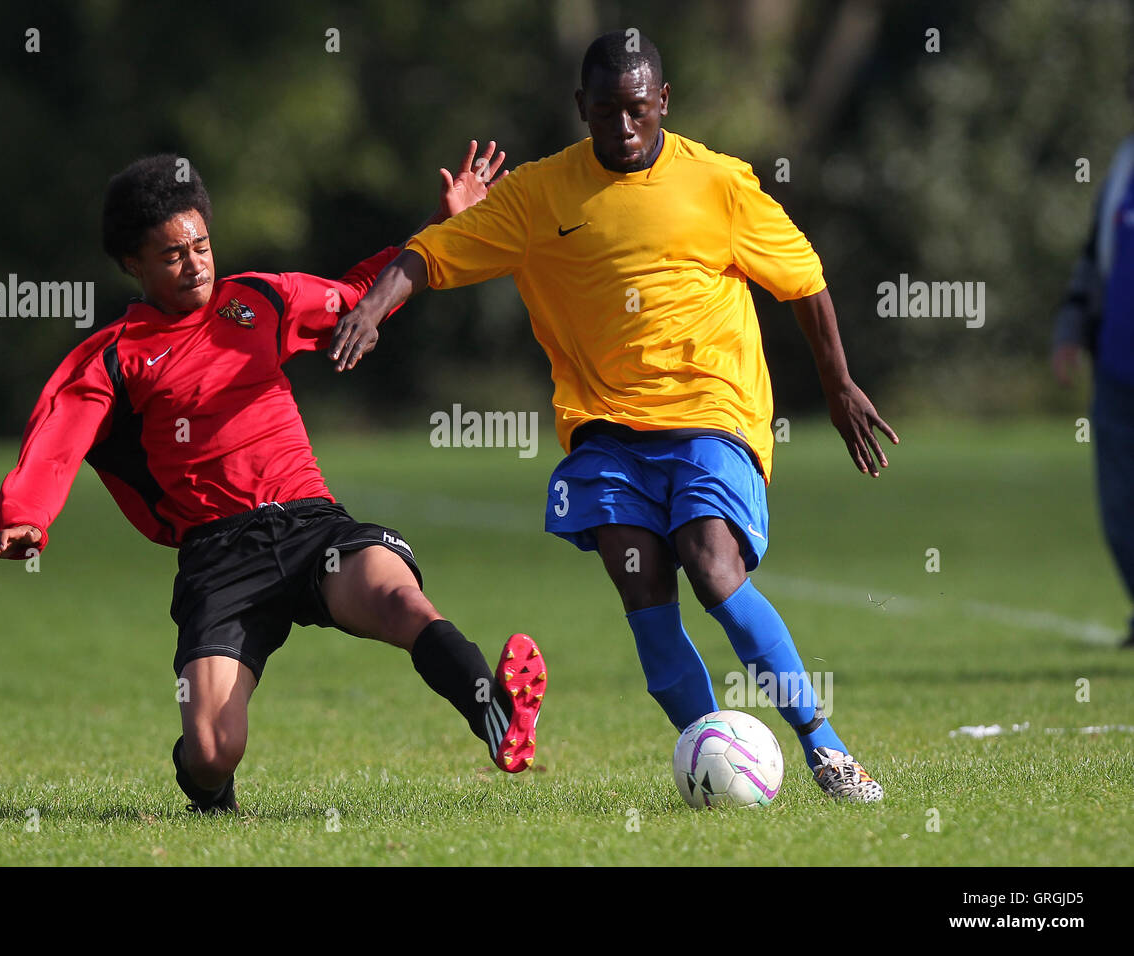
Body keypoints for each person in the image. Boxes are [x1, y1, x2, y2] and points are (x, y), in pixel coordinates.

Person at [328, 31, 897, 801]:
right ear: (581, 109)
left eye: (637, 110)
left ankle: (827, 751)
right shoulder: (538, 195)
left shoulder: (720, 183)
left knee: (711, 562)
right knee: (643, 586)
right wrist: (372, 305)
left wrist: (838, 386)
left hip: (711, 412)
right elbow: (431, 253)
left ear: (663, 102)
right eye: (605, 113)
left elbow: (804, 281)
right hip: (603, 430)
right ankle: (713, 757)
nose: (623, 128)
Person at [0, 143, 547, 814]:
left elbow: (361, 294)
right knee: (214, 750)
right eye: (172, 254)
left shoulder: (256, 301)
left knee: (401, 602)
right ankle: (208, 791)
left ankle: (495, 714)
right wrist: (27, 515)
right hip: (220, 560)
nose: (194, 263)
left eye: (201, 244)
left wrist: (440, 222)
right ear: (133, 264)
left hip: (312, 527)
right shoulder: (116, 357)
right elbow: (57, 437)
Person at [1052, 65, 1134, 649]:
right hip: (1117, 368)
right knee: (1118, 506)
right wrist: (1069, 332)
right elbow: (1092, 256)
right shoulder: (1125, 163)